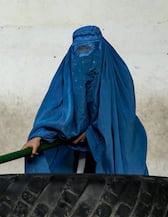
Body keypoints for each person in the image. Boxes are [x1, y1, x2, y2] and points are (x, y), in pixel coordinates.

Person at [22, 25, 148, 175]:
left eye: (90, 51)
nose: (85, 58)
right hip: (72, 157)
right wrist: (38, 136)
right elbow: (53, 110)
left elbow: (122, 120)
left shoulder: (117, 76)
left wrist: (93, 133)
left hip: (114, 153)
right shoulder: (66, 77)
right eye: (79, 51)